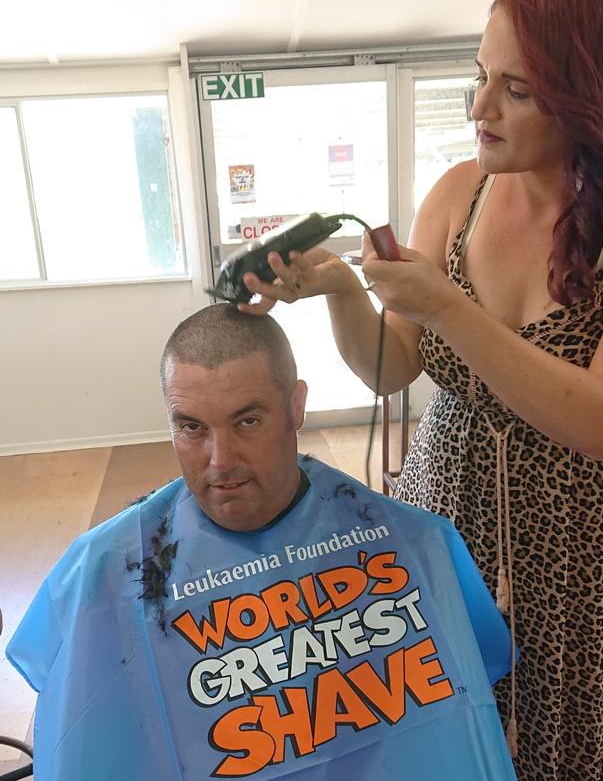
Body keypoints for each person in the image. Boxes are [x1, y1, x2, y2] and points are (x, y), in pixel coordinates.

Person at [238, 0, 603, 781]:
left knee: (546, 736)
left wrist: (448, 307)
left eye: (519, 90)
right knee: (427, 720)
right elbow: (393, 368)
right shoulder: (458, 194)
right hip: (439, 510)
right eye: (479, 75)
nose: (479, 108)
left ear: (591, 99)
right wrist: (343, 294)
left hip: (563, 541)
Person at [7, 303, 518, 781]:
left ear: (296, 406)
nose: (219, 461)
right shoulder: (104, 569)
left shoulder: (414, 541)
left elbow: (463, 706)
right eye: (192, 428)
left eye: (247, 421)